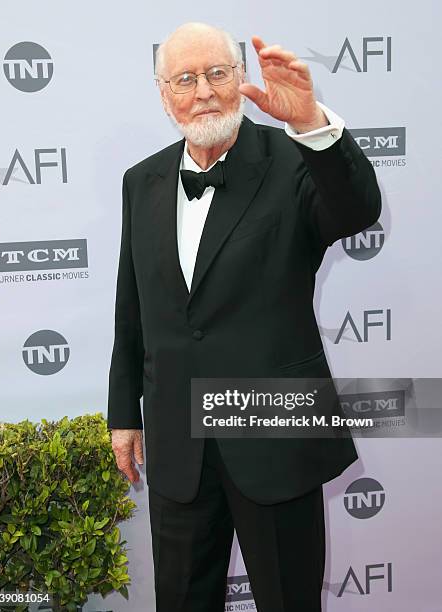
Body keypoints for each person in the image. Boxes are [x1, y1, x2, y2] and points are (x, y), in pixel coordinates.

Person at [107, 22, 381, 612]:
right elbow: (132, 306)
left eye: (217, 73)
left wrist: (310, 123)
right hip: (180, 441)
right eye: (186, 78)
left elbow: (357, 209)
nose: (203, 90)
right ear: (164, 94)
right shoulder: (142, 182)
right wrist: (124, 412)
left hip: (273, 435)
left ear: (241, 79)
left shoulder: (294, 160)